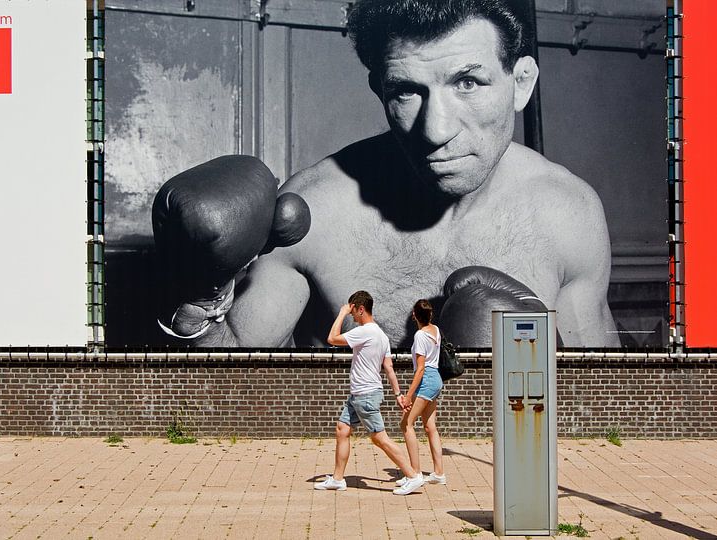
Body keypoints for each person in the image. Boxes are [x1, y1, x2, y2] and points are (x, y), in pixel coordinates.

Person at [152, 0, 620, 349]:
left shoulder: (568, 213)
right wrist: (198, 298)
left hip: (495, 474)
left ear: (521, 84)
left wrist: (540, 367)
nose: (436, 131)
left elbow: (602, 411)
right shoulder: (316, 211)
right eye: (406, 92)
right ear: (379, 89)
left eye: (467, 82)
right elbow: (224, 393)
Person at [314, 290, 426, 495]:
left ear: (361, 309)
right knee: (342, 429)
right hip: (360, 394)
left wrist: (340, 313)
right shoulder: (381, 335)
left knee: (379, 438)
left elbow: (331, 338)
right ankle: (338, 479)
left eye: (353, 312)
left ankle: (413, 475)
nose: (352, 316)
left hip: (365, 395)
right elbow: (389, 368)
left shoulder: (365, 332)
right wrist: (398, 394)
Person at [395, 300, 447, 493]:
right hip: (436, 379)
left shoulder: (419, 335)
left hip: (426, 380)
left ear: (414, 315)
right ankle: (438, 473)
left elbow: (420, 369)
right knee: (429, 426)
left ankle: (415, 474)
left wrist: (408, 396)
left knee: (406, 424)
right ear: (430, 315)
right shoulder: (436, 330)